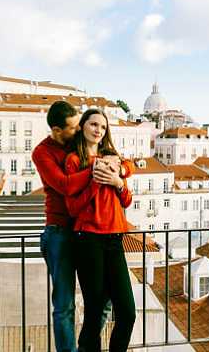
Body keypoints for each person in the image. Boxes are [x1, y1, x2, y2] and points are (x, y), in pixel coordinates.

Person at [32, 101, 127, 352]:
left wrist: (119, 169)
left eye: (78, 126)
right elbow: (65, 185)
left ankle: (85, 347)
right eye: (73, 127)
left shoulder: (77, 145)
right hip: (60, 230)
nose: (77, 130)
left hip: (87, 232)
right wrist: (98, 169)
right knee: (65, 304)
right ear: (57, 130)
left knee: (102, 301)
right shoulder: (42, 153)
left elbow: (118, 159)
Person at [65, 108, 135, 352]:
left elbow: (127, 200)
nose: (98, 130)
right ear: (83, 126)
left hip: (114, 239)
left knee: (127, 312)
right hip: (88, 239)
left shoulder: (112, 159)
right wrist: (95, 181)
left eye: (103, 127)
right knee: (94, 312)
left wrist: (118, 180)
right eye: (94, 124)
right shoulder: (75, 160)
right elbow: (73, 207)